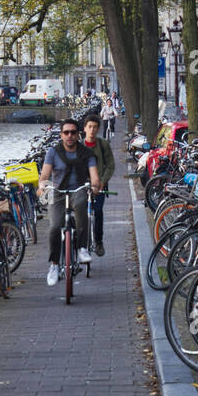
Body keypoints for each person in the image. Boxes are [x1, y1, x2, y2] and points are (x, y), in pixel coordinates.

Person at [37, 118, 101, 286]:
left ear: (78, 135)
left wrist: (95, 185)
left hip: (78, 189)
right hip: (57, 192)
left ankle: (82, 248)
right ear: (61, 135)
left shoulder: (86, 153)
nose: (70, 136)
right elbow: (44, 176)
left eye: (73, 132)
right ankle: (54, 266)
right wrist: (43, 186)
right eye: (66, 133)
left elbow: (94, 175)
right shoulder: (53, 152)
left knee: (81, 206)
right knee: (54, 227)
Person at [81, 113, 115, 256]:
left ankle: (99, 241)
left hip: (99, 186)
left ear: (99, 128)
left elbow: (110, 165)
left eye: (95, 127)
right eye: (90, 127)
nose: (92, 130)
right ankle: (81, 243)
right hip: (82, 186)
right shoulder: (78, 146)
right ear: (84, 129)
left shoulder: (103, 144)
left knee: (98, 212)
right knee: (79, 214)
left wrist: (103, 181)